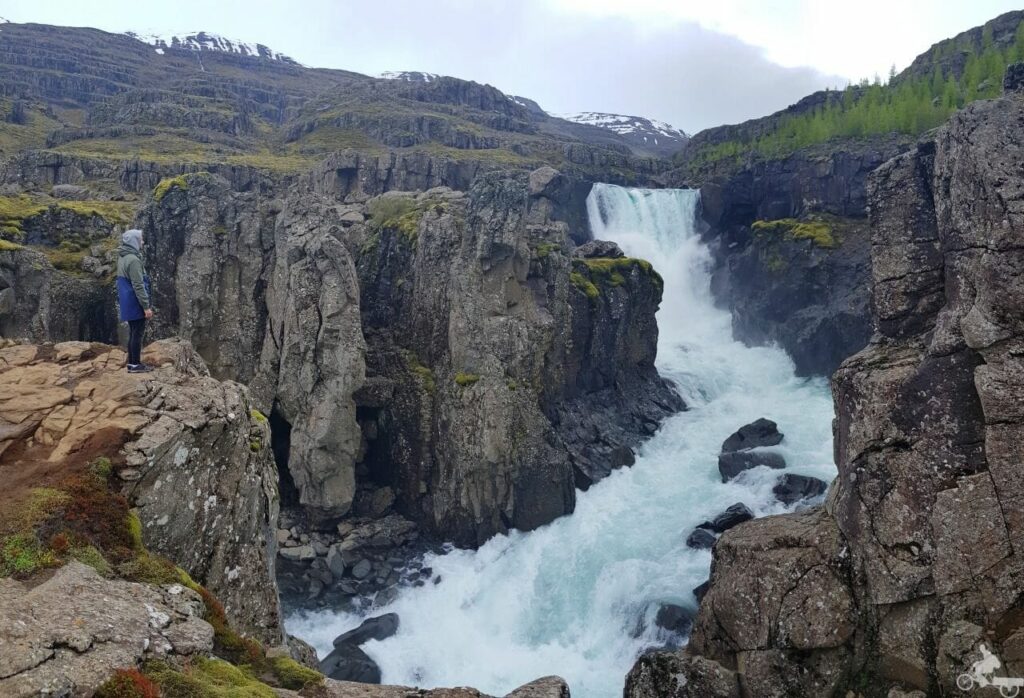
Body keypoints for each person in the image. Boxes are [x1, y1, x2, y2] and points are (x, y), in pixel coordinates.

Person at [116, 228, 154, 373]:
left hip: (127, 300)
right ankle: (136, 364)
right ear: (134, 241)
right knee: (137, 333)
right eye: (140, 239)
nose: (142, 242)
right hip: (135, 302)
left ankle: (132, 363)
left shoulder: (123, 257)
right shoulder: (133, 260)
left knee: (133, 332)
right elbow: (138, 285)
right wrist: (146, 306)